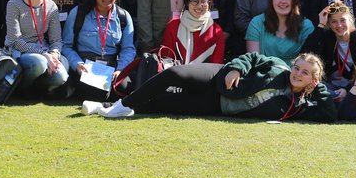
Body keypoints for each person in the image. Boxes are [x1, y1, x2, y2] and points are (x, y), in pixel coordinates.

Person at [85, 52, 337, 122]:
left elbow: (329, 112)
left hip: (218, 106)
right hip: (219, 77)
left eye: (304, 73)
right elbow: (251, 58)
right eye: (297, 67)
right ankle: (120, 106)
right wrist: (237, 68)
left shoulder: (299, 106)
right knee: (175, 73)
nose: (297, 73)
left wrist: (318, 85)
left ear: (311, 81)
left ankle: (108, 106)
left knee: (162, 104)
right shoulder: (278, 67)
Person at [62, 0, 136, 102]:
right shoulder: (79, 13)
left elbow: (128, 49)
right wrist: (77, 64)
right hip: (86, 66)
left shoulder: (124, 17)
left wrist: (120, 70)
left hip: (112, 66)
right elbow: (66, 45)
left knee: (125, 89)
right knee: (98, 94)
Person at [4, 0, 69, 95]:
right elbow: (14, 40)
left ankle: (36, 91)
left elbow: (56, 40)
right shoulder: (14, 4)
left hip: (43, 51)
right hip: (19, 51)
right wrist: (44, 55)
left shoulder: (52, 7)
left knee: (61, 75)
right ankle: (20, 89)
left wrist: (53, 55)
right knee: (38, 62)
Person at [303, 1, 356, 97]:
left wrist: (347, 89)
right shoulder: (327, 38)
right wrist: (320, 25)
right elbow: (306, 54)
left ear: (350, 20)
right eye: (334, 22)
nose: (339, 25)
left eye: (343, 20)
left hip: (355, 86)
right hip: (329, 86)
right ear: (329, 24)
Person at [246, 0, 315, 65]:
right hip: (263, 73)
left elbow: (309, 62)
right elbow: (253, 60)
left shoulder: (306, 26)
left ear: (295, 1)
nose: (283, 1)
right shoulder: (256, 22)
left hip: (295, 76)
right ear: (271, 0)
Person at [161, 0, 225, 65]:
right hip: (175, 76)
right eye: (195, 1)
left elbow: (217, 65)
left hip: (205, 77)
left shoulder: (216, 31)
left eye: (204, 1)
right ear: (187, 3)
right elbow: (166, 60)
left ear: (209, 3)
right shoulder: (173, 26)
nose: (199, 6)